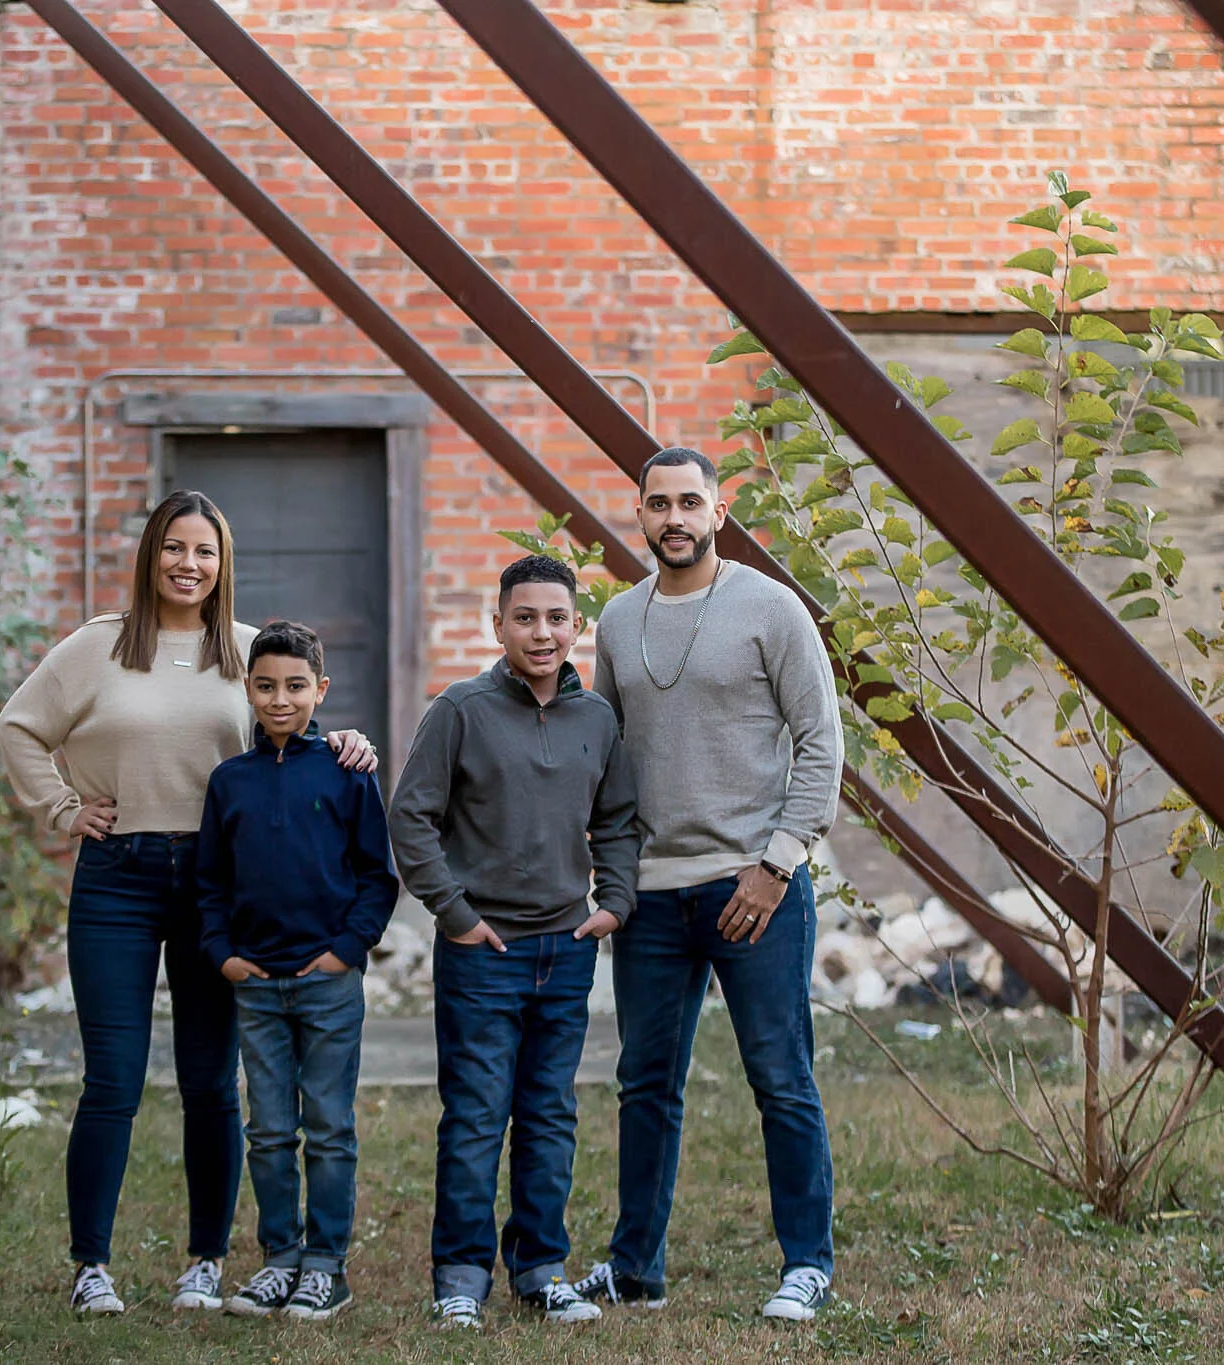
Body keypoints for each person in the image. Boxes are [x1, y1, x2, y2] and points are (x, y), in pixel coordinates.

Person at [0, 490, 378, 1316]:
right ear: (151, 554)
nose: (188, 564)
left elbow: (293, 724)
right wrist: (65, 808)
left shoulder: (244, 653)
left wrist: (347, 742)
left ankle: (205, 1259)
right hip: (118, 879)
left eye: (204, 551)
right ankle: (90, 1264)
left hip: (217, 887)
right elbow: (17, 727)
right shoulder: (96, 648)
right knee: (113, 1079)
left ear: (222, 563)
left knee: (210, 1080)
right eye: (174, 547)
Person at [571, 447, 845, 1323]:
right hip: (652, 896)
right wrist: (612, 876)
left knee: (780, 1075)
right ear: (641, 517)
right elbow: (606, 756)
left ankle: (806, 1262)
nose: (675, 518)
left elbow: (820, 743)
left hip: (753, 886)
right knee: (645, 1082)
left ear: (719, 511)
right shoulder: (617, 619)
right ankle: (635, 1267)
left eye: (691, 501)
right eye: (659, 504)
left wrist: (778, 861)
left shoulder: (772, 608)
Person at [388, 554, 641, 1330]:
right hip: (481, 953)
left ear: (577, 627)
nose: (541, 632)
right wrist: (455, 913)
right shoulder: (460, 710)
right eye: (524, 617)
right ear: (497, 624)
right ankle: (460, 1274)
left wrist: (616, 901)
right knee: (473, 1116)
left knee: (548, 1115)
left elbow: (619, 819)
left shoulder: (597, 719)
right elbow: (410, 816)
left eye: (556, 618)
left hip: (565, 952)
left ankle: (539, 1266)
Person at [194, 619, 400, 1323]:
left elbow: (379, 876)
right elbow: (210, 882)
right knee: (271, 1127)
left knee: (329, 1123)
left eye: (296, 686)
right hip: (255, 983)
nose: (280, 700)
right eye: (265, 686)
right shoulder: (230, 782)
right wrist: (223, 953)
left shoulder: (347, 773)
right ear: (246, 689)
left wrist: (347, 948)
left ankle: (326, 1265)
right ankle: (280, 1258)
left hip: (328, 982)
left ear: (321, 689)